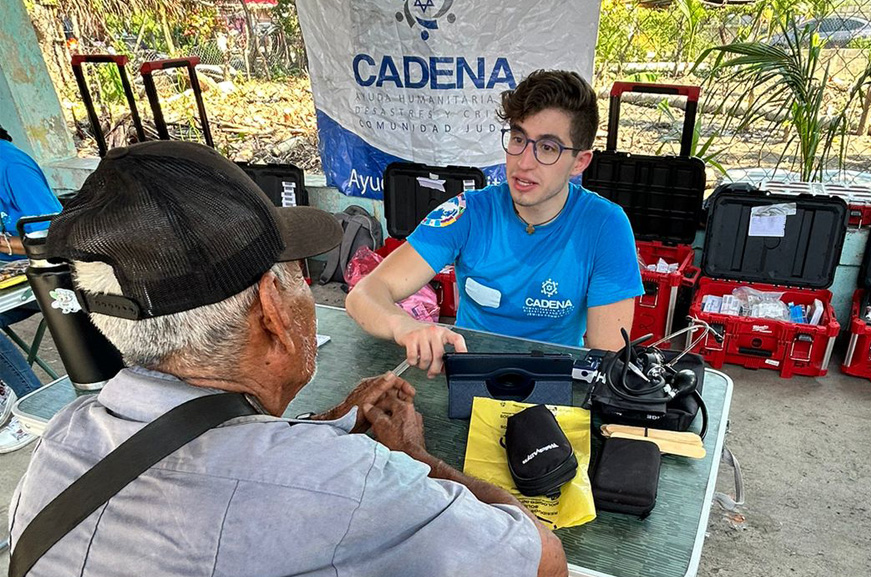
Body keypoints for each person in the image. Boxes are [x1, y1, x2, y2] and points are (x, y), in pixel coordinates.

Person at [8, 141, 566, 577]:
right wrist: (416, 458)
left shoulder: (60, 442)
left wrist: (319, 430)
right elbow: (541, 560)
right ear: (273, 312)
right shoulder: (351, 488)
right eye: (298, 274)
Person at [346, 70, 643, 377]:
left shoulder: (605, 225)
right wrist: (405, 326)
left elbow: (607, 357)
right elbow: (364, 294)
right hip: (470, 376)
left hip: (556, 382)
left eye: (548, 147)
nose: (524, 162)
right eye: (518, 138)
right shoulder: (470, 212)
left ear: (579, 162)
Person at [0, 124, 64, 453]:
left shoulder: (11, 166)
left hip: (43, 276)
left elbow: (53, 237)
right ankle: (4, 386)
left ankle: (30, 408)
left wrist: (5, 245)